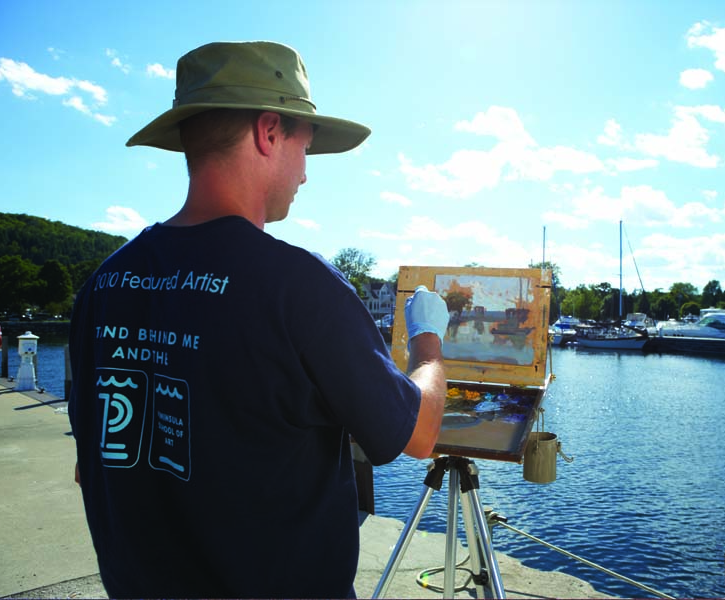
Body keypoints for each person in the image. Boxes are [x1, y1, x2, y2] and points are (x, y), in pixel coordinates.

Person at [68, 40, 448, 599]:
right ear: (269, 132)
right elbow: (418, 434)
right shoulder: (300, 287)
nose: (304, 175)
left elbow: (91, 462)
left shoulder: (103, 285)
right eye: (305, 148)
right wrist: (427, 345)